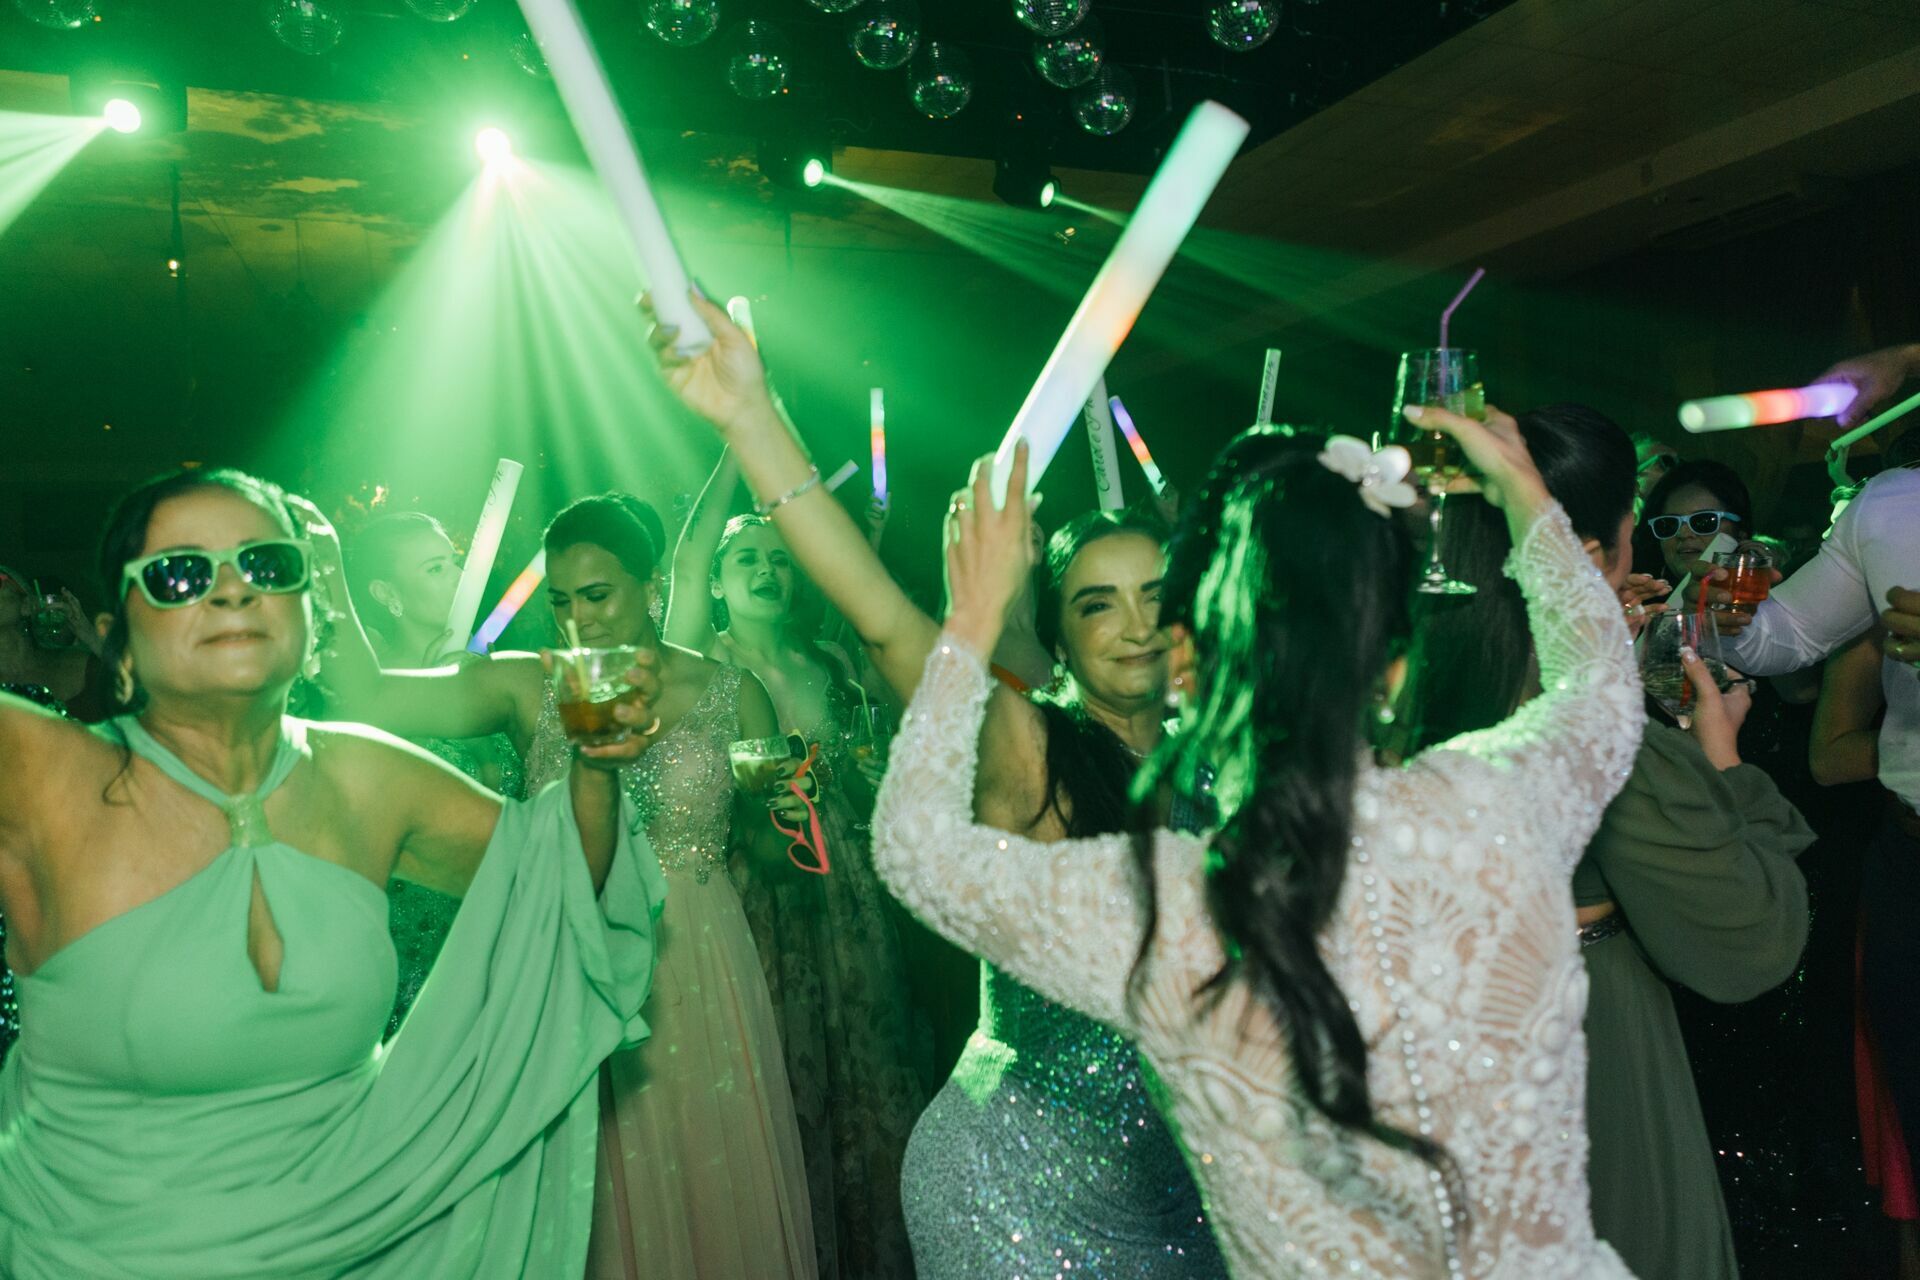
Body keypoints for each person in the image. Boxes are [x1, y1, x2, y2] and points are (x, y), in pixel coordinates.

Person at [871, 399, 1646, 1276]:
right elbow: (1601, 679)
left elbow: (913, 846)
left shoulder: (1170, 906)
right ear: (1395, 665)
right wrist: (1522, 493)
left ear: (1193, 670)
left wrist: (972, 618)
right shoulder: (1504, 802)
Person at [642, 292, 1227, 1277]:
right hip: (1018, 1186)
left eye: (1153, 597)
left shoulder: (1231, 761)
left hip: (1179, 1179)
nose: (1132, 625)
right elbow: (879, 617)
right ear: (1059, 628)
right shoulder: (1028, 747)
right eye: (1097, 602)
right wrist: (751, 418)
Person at [0, 467, 666, 1277]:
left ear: (309, 616)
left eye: (269, 567)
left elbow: (561, 882)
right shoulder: (43, 774)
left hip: (360, 1242)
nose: (234, 592)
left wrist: (595, 765)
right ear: (116, 636)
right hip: (98, 1253)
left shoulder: (366, 778)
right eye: (181, 575)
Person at [323, 492, 818, 1280]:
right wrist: (322, 565)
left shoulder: (733, 692)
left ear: (651, 584)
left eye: (598, 595)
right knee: (587, 1186)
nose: (578, 619)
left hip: (700, 965)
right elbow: (372, 697)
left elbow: (769, 841)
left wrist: (794, 808)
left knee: (711, 1185)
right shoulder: (527, 686)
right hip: (570, 959)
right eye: (560, 600)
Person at [1411, 404, 1813, 1280]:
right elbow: (1749, 942)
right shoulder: (1593, 728)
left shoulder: (1418, 666)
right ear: (1595, 551)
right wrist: (1721, 766)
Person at [664, 487, 927, 1279]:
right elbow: (686, 547)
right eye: (746, 558)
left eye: (781, 559)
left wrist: (870, 779)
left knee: (866, 1080)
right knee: (779, 1078)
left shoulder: (832, 662)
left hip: (846, 894)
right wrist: (733, 446)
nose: (767, 570)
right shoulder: (700, 661)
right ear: (714, 579)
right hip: (754, 892)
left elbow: (872, 772)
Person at [343, 511, 527, 1037]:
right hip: (415, 935)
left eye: (454, 562)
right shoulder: (368, 695)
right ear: (386, 593)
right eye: (434, 568)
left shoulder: (501, 671)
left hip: (511, 927)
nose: (459, 576)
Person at [1636, 458, 1753, 584]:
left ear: (1740, 534)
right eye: (1669, 524)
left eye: (1703, 521)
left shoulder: (1762, 600)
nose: (1683, 533)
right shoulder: (1634, 599)